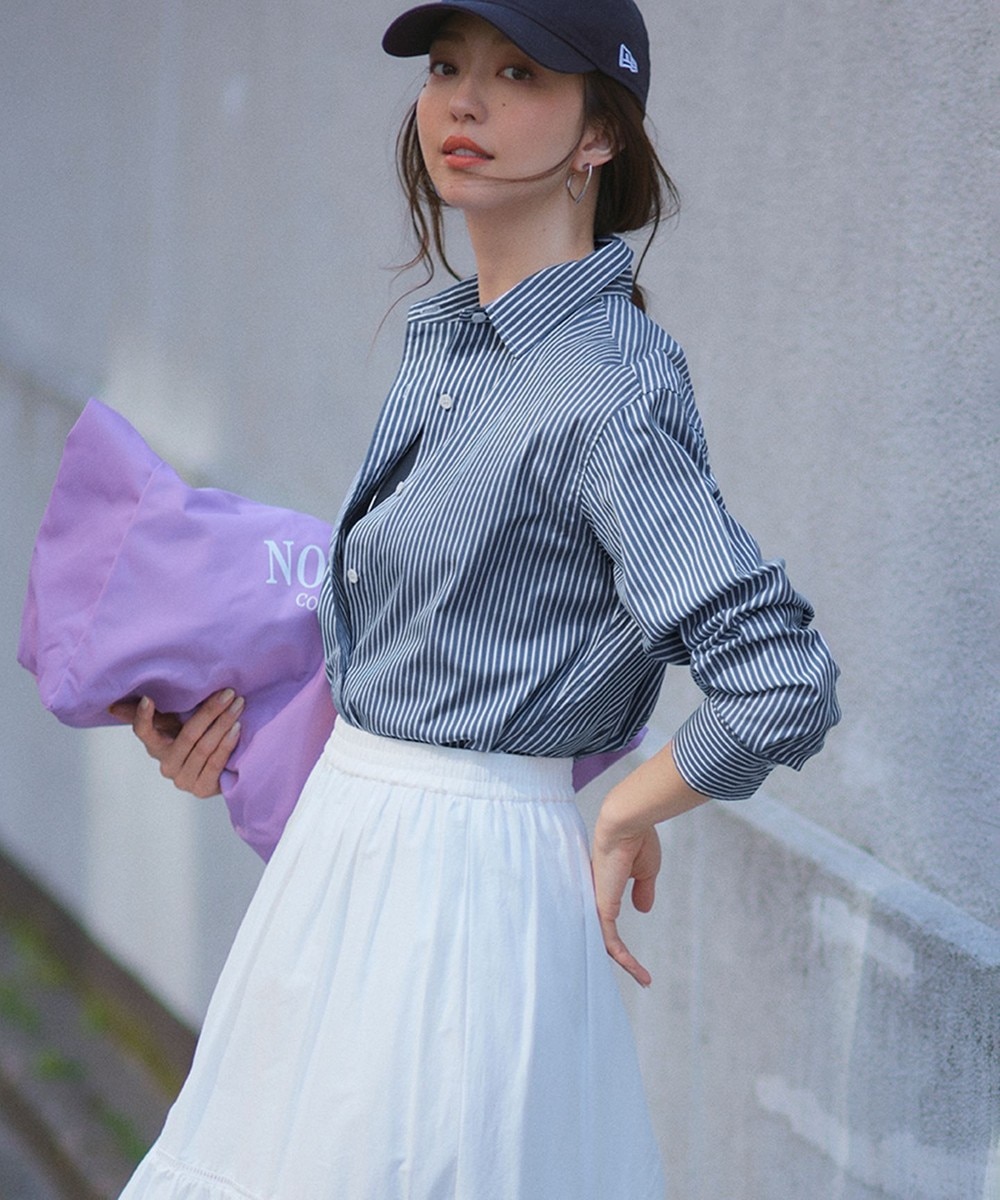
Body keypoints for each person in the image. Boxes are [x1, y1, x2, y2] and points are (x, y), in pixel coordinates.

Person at [114, 1, 840, 1196]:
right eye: (447, 66)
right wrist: (235, 735)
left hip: (458, 912)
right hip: (344, 879)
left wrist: (626, 807)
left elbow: (781, 681)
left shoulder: (602, 387)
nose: (462, 99)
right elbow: (449, 649)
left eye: (518, 73)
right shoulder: (452, 343)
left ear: (599, 131)